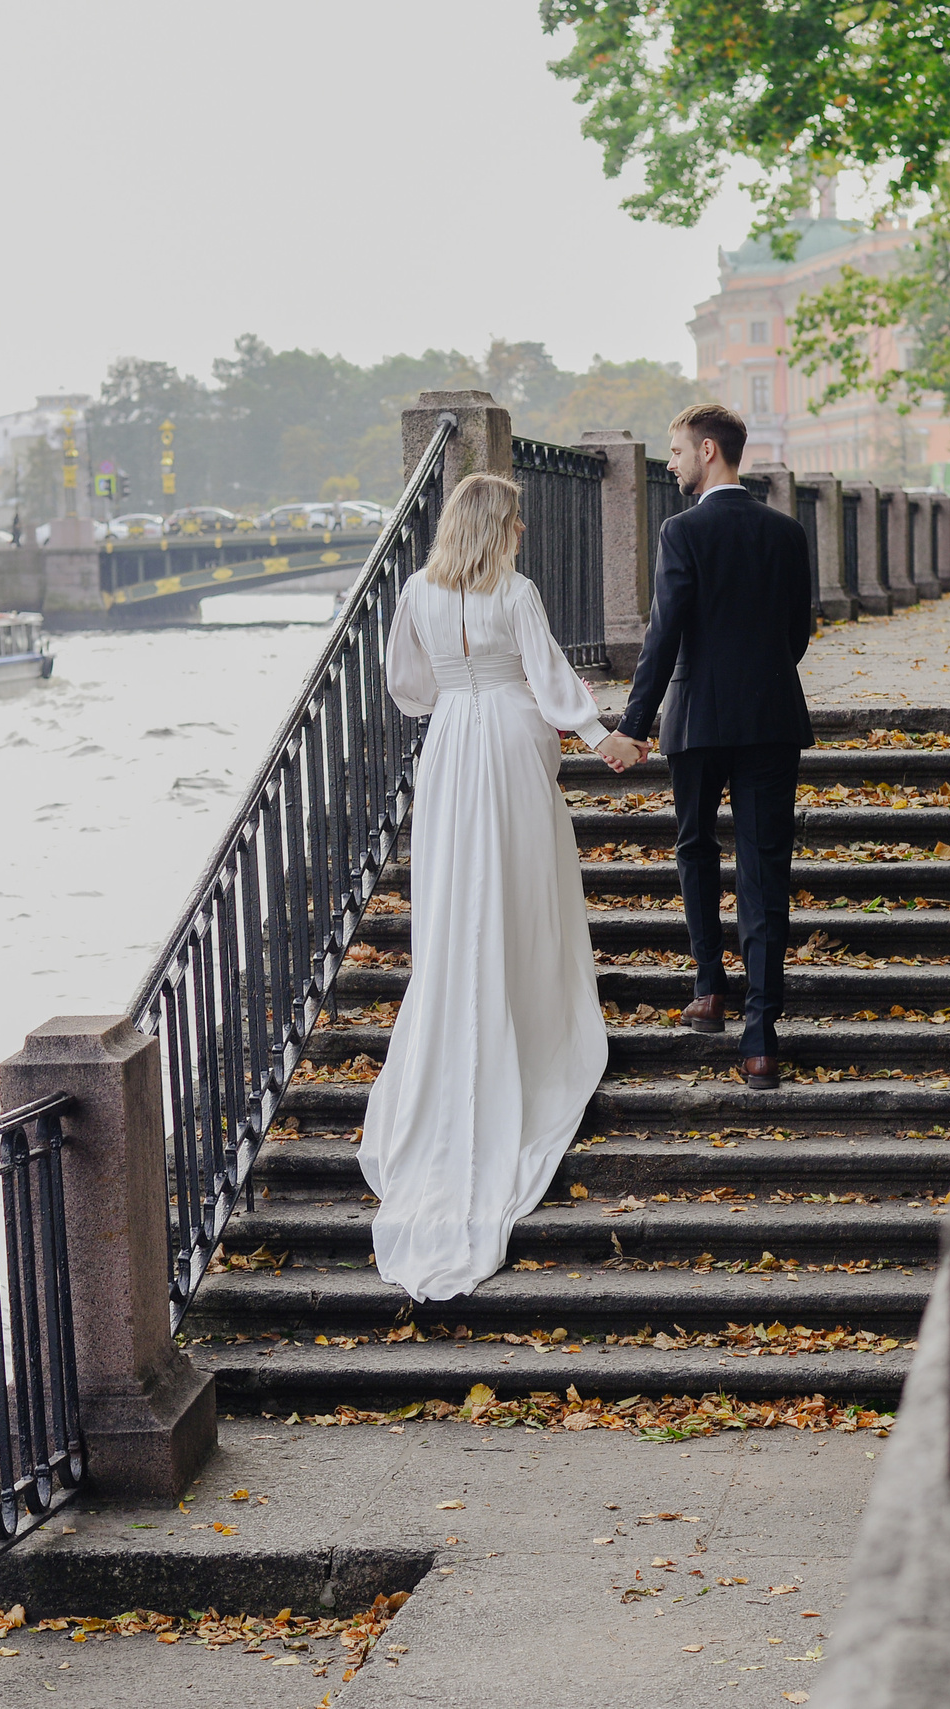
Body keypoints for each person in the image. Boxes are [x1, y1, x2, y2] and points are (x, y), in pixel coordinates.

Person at [360, 471, 628, 1303]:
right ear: (498, 524)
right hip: (511, 740)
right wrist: (601, 735)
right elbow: (551, 679)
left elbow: (409, 687)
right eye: (516, 519)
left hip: (451, 744)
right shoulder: (516, 592)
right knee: (524, 891)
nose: (522, 530)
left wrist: (457, 697)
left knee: (458, 900)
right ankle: (535, 1019)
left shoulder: (417, 590)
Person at [610, 402, 815, 1090]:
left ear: (706, 451)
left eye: (673, 452)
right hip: (770, 716)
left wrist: (634, 725)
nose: (669, 465)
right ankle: (761, 1037)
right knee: (763, 871)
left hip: (696, 719)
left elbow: (663, 635)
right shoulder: (787, 533)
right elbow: (797, 636)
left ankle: (709, 987)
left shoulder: (681, 532)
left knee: (695, 847)